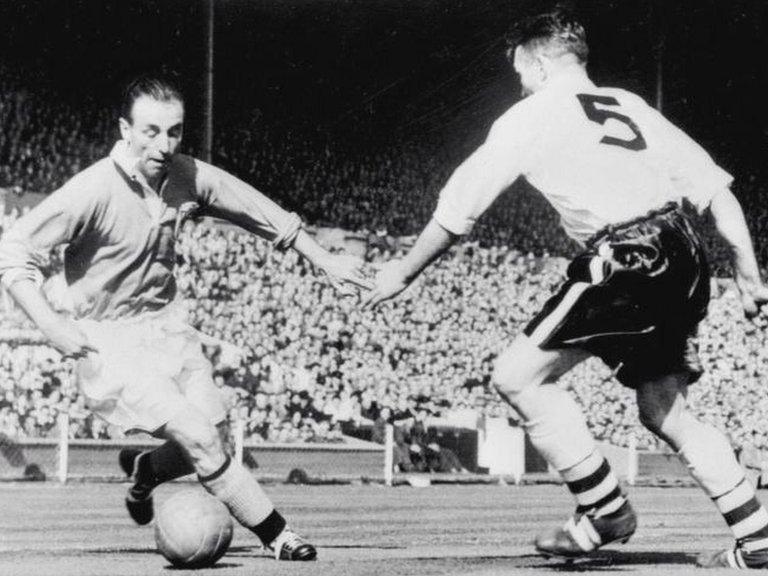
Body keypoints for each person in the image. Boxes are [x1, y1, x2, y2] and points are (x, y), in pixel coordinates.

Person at [364, 9, 768, 569]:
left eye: (521, 74)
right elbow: (717, 190)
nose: (521, 84)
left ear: (538, 64)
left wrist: (402, 273)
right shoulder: (629, 105)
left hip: (631, 251)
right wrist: (747, 269)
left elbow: (459, 210)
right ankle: (758, 537)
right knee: (665, 409)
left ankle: (606, 512)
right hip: (687, 252)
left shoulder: (530, 115)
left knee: (517, 376)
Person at [0, 75, 371, 562]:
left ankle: (148, 472)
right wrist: (49, 324)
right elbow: (12, 247)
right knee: (198, 437)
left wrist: (326, 260)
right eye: (151, 131)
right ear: (125, 129)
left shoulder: (188, 174)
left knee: (211, 434)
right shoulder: (92, 188)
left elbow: (261, 211)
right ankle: (280, 536)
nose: (164, 143)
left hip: (166, 329)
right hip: (108, 340)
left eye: (174, 131)